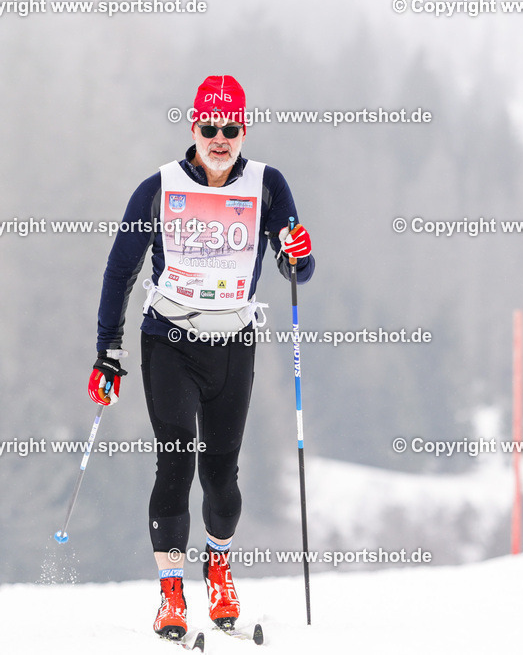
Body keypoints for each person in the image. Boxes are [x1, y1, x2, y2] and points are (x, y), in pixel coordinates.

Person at [89, 75, 315, 641]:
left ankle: (218, 565)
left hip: (233, 343)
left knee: (221, 476)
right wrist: (107, 351)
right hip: (168, 339)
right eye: (210, 127)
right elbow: (121, 270)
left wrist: (298, 256)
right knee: (176, 462)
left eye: (230, 128)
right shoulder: (158, 187)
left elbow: (296, 268)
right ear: (193, 127)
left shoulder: (268, 185)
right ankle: (171, 592)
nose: (220, 138)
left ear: (243, 129)